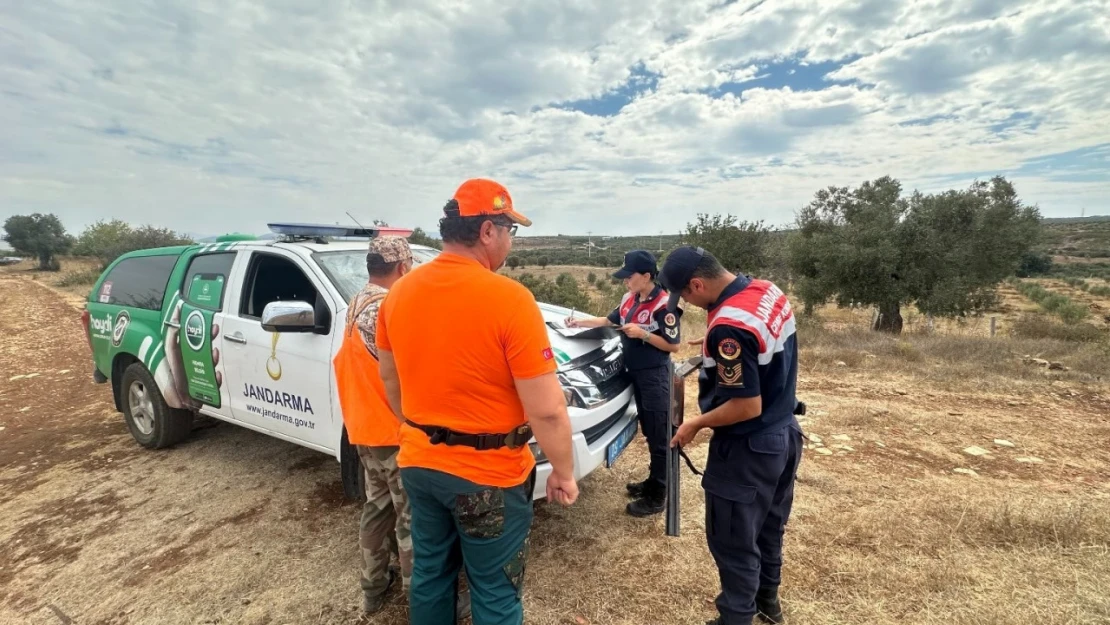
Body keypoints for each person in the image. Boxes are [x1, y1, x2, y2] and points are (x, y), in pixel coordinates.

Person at [375, 178, 579, 625]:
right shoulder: (509, 300)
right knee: (495, 589)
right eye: (510, 230)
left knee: (431, 573)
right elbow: (546, 408)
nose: (511, 241)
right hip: (488, 477)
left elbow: (389, 379)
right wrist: (564, 471)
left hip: (419, 465)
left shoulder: (399, 295)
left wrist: (420, 430)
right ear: (488, 231)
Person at [661, 246, 802, 625]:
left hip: (748, 448)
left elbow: (745, 406)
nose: (687, 303)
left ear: (697, 283)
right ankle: (767, 604)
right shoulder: (764, 290)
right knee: (769, 527)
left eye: (686, 296)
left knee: (734, 541)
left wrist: (696, 423)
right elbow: (759, 349)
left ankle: (736, 617)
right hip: (784, 434)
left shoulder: (728, 328)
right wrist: (715, 347)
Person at [334, 236, 469, 616]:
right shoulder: (387, 309)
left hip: (362, 426)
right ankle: (422, 598)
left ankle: (373, 588)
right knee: (413, 520)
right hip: (393, 432)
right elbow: (411, 371)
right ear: (403, 268)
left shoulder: (355, 303)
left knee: (376, 508)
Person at [564, 249, 682, 517]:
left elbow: (673, 346)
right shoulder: (630, 299)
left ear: (647, 276)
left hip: (654, 377)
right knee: (650, 432)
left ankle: (657, 496)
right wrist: (577, 323)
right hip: (635, 375)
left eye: (630, 276)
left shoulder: (665, 306)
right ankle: (653, 482)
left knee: (659, 436)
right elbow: (608, 321)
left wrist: (643, 334)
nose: (625, 281)